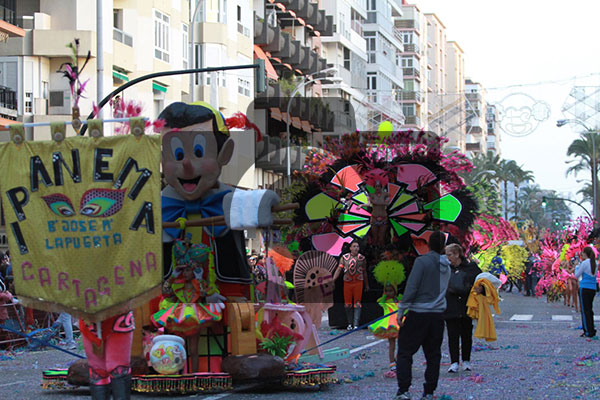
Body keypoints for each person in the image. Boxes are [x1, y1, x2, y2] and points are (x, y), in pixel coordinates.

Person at [395, 231, 451, 400]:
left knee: (405, 352)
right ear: (443, 246)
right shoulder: (447, 266)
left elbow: (412, 287)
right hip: (437, 316)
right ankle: (429, 391)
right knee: (433, 355)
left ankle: (404, 389)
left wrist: (401, 309)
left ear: (428, 244)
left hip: (418, 313)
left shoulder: (422, 262)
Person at [443, 244, 482, 373]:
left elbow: (482, 282)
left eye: (449, 254)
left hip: (466, 305)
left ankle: (466, 360)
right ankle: (454, 362)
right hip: (451, 305)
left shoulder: (471, 268)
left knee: (466, 334)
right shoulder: (444, 269)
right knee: (452, 334)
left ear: (457, 254)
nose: (447, 257)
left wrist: (480, 289)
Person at [333, 240, 369, 330]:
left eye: (357, 246)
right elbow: (339, 269)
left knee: (357, 303)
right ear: (350, 248)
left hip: (358, 282)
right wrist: (333, 280)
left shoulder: (362, 258)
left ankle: (356, 323)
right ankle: (349, 323)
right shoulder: (344, 258)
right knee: (347, 303)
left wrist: (366, 285)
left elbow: (364, 272)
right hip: (347, 282)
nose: (356, 248)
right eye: (354, 246)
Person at [369, 283, 401, 377]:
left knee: (403, 344)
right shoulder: (385, 301)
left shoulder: (399, 299)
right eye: (386, 290)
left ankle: (397, 359)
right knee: (392, 345)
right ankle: (392, 364)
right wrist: (384, 296)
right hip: (389, 325)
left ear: (395, 291)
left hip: (399, 322)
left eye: (390, 290)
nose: (388, 292)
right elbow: (380, 303)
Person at [575, 247, 597, 338]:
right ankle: (591, 328)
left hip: (584, 287)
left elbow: (577, 275)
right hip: (593, 288)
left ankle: (587, 330)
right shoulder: (595, 263)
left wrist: (576, 266)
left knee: (585, 310)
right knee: (590, 309)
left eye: (582, 253)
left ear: (585, 253)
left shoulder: (584, 263)